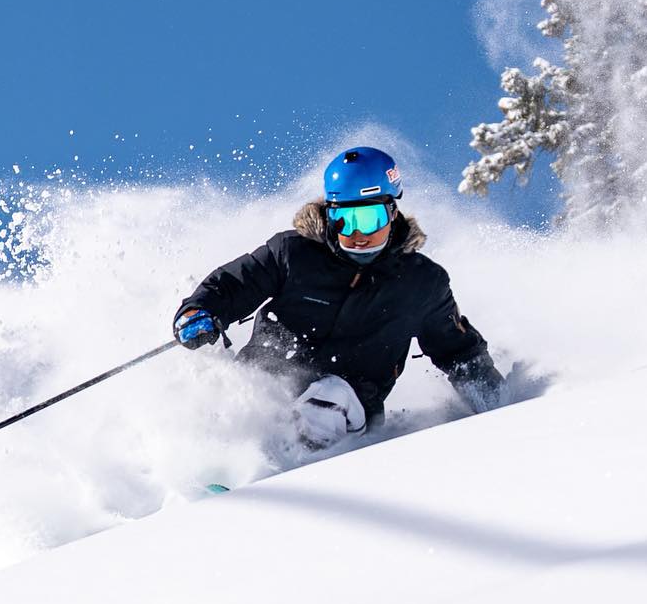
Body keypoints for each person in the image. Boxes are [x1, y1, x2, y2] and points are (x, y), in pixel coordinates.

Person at [173, 147, 503, 448]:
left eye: (369, 219)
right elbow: (233, 283)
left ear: (392, 212)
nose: (357, 234)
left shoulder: (420, 283)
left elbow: (461, 354)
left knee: (324, 401)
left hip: (351, 403)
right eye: (344, 220)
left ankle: (291, 480)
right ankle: (209, 475)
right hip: (267, 383)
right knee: (223, 396)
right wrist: (197, 312)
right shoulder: (293, 254)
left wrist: (503, 408)